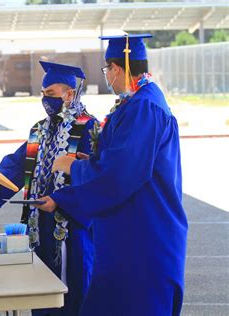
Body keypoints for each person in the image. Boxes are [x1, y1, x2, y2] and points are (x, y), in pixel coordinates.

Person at [36, 34, 188, 316]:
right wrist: (87, 161)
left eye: (107, 70)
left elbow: (121, 174)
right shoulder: (137, 102)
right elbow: (121, 160)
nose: (107, 77)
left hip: (143, 237)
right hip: (130, 234)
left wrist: (73, 167)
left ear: (117, 68)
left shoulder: (144, 107)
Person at [0, 61, 98, 316]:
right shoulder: (39, 129)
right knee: (41, 294)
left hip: (71, 228)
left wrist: (59, 200)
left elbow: (94, 177)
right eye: (43, 95)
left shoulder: (89, 128)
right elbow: (19, 162)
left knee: (73, 291)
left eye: (51, 94)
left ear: (70, 94)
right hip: (39, 226)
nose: (46, 101)